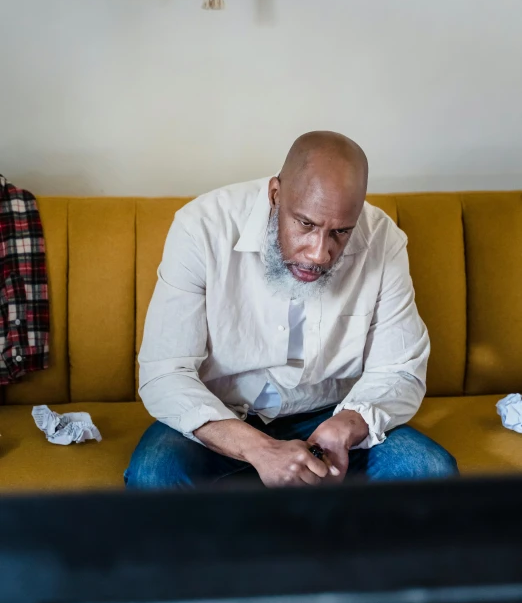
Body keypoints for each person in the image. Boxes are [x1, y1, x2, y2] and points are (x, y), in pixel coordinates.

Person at [125, 131, 458, 490]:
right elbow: (164, 372)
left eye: (341, 232)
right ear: (275, 195)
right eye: (306, 224)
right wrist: (260, 450)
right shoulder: (201, 228)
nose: (319, 253)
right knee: (154, 477)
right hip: (222, 416)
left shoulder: (383, 240)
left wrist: (346, 425)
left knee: (429, 471)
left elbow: (401, 370)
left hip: (328, 417)